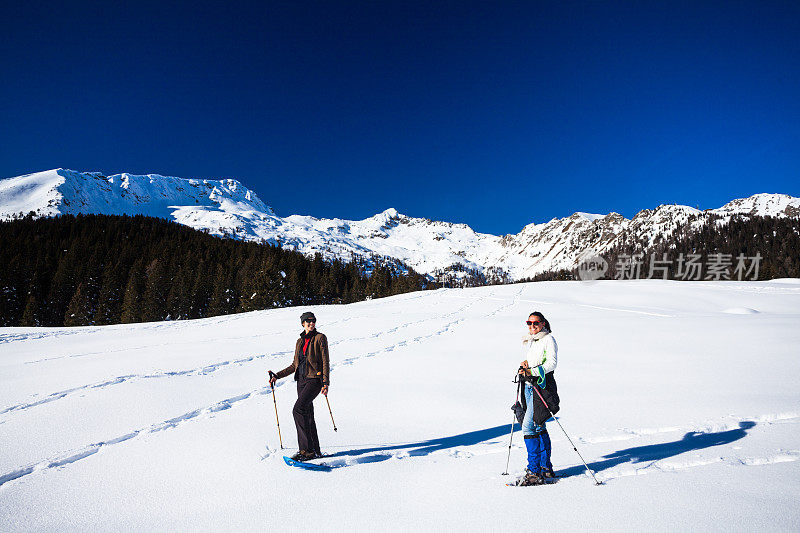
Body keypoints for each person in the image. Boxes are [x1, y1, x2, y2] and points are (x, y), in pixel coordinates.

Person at [269, 311, 330, 461]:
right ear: (303, 323)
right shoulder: (299, 341)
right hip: (301, 381)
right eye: (308, 321)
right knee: (307, 415)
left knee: (298, 409)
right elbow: (294, 365)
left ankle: (306, 451)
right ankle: (315, 450)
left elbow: (325, 361)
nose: (311, 323)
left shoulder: (320, 338)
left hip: (314, 380)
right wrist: (277, 375)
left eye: (313, 320)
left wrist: (325, 382)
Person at [517, 311, 560, 486]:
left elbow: (551, 363)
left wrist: (532, 371)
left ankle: (534, 472)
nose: (532, 326)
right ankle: (545, 468)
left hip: (540, 387)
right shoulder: (534, 340)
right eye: (529, 323)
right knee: (538, 425)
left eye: (536, 323)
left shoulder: (548, 339)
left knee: (529, 425)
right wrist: (527, 365)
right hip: (529, 386)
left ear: (543, 323)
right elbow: (537, 360)